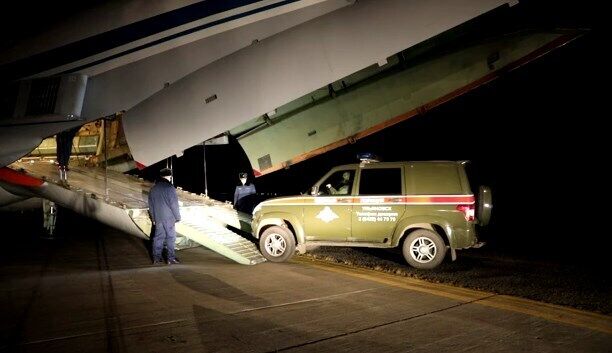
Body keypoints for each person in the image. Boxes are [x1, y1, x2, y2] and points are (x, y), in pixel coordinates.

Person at [148, 168, 181, 265]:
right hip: (169, 218)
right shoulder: (170, 188)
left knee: (158, 238)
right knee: (171, 238)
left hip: (158, 218)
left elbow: (151, 206)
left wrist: (153, 218)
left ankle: (156, 258)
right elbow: (174, 204)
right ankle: (170, 258)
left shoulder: (153, 189)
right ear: (168, 176)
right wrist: (178, 217)